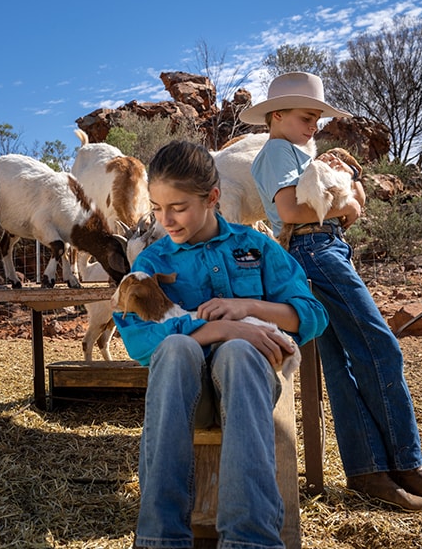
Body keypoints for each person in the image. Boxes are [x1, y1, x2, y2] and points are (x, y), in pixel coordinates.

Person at [243, 71, 422, 512]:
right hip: (314, 248)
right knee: (381, 349)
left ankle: (369, 472)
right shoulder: (276, 151)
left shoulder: (294, 151)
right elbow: (290, 208)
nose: (314, 126)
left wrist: (342, 199)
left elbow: (324, 204)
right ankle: (407, 465)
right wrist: (345, 201)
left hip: (318, 248)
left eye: (317, 119)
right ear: (276, 115)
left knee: (343, 361)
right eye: (307, 117)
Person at [113, 140, 328, 549]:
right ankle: (160, 539)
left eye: (178, 207)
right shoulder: (152, 262)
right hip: (183, 396)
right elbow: (139, 342)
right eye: (157, 209)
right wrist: (217, 329)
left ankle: (251, 540)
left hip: (247, 387)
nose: (166, 220)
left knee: (240, 354)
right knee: (177, 350)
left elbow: (313, 313)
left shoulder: (257, 246)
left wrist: (248, 307)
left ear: (212, 198)